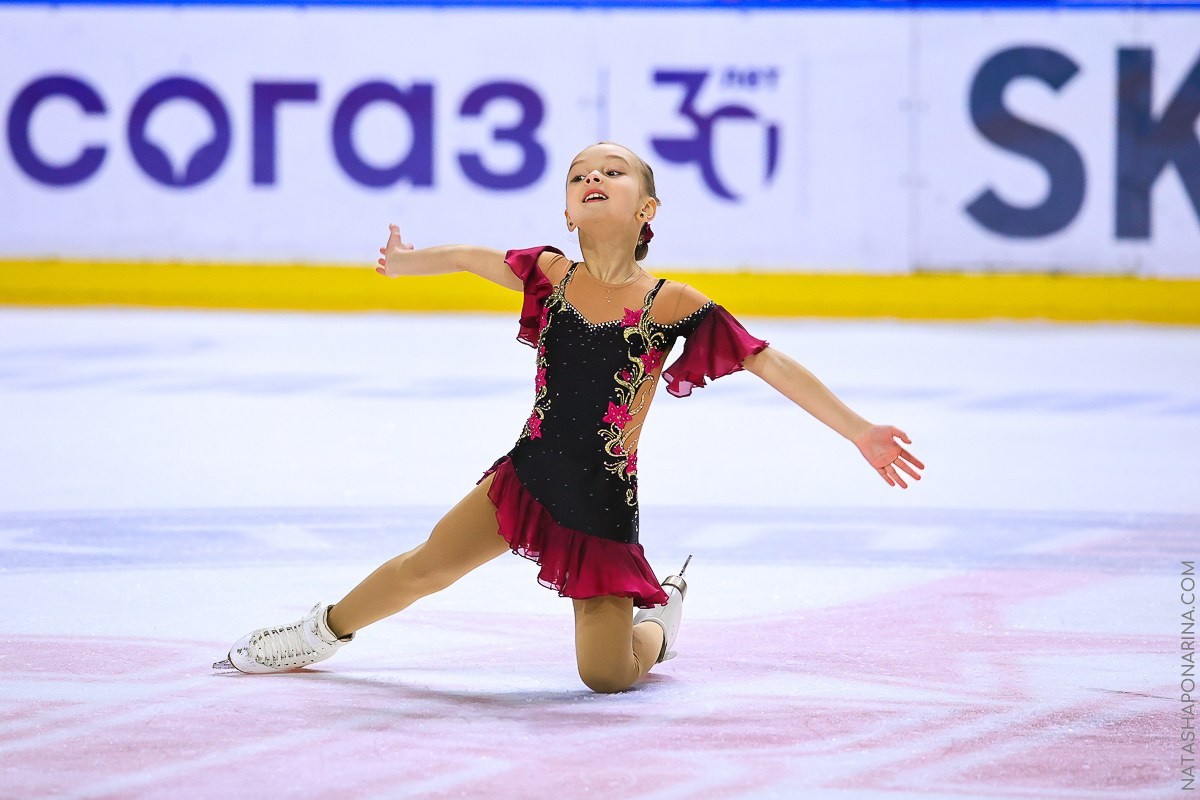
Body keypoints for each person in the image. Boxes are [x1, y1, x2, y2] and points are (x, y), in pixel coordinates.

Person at [213, 142, 924, 693]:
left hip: (601, 504)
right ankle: (314, 633)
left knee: (606, 676)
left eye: (614, 172)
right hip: (529, 474)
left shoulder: (670, 302)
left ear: (647, 210)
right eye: (581, 173)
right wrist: (406, 262)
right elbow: (470, 256)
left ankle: (659, 626)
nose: (593, 177)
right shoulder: (550, 275)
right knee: (426, 565)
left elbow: (768, 360)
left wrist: (858, 431)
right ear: (566, 209)